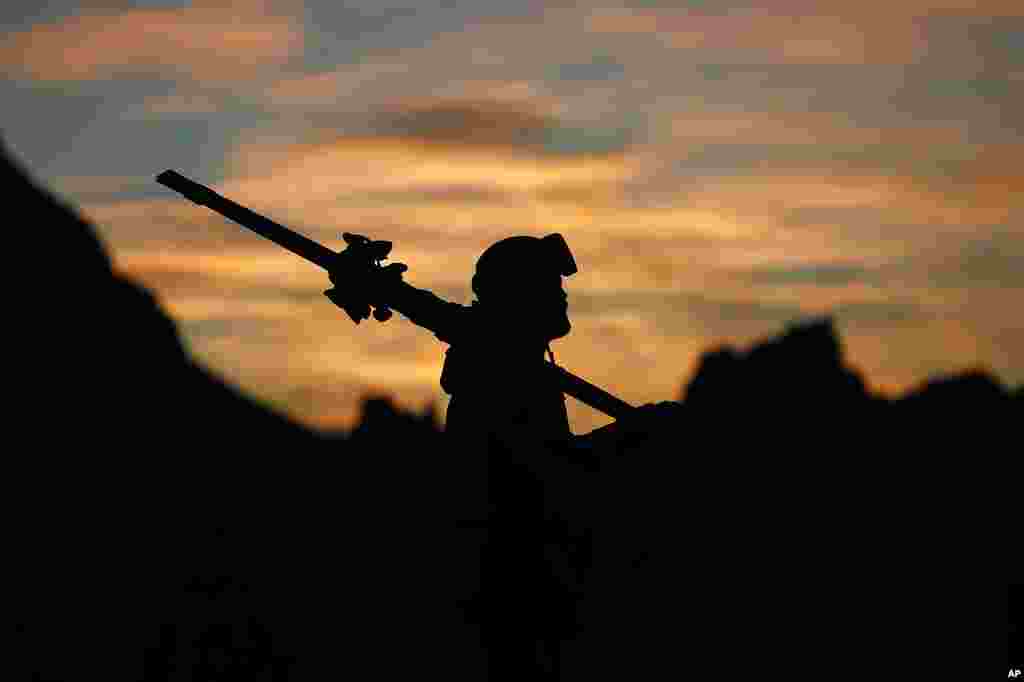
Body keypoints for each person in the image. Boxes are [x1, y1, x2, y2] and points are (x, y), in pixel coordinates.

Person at [325, 233, 680, 679]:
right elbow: (551, 472)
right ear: (522, 295)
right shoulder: (503, 373)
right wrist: (634, 435)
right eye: (552, 285)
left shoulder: (511, 361)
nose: (562, 295)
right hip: (511, 598)